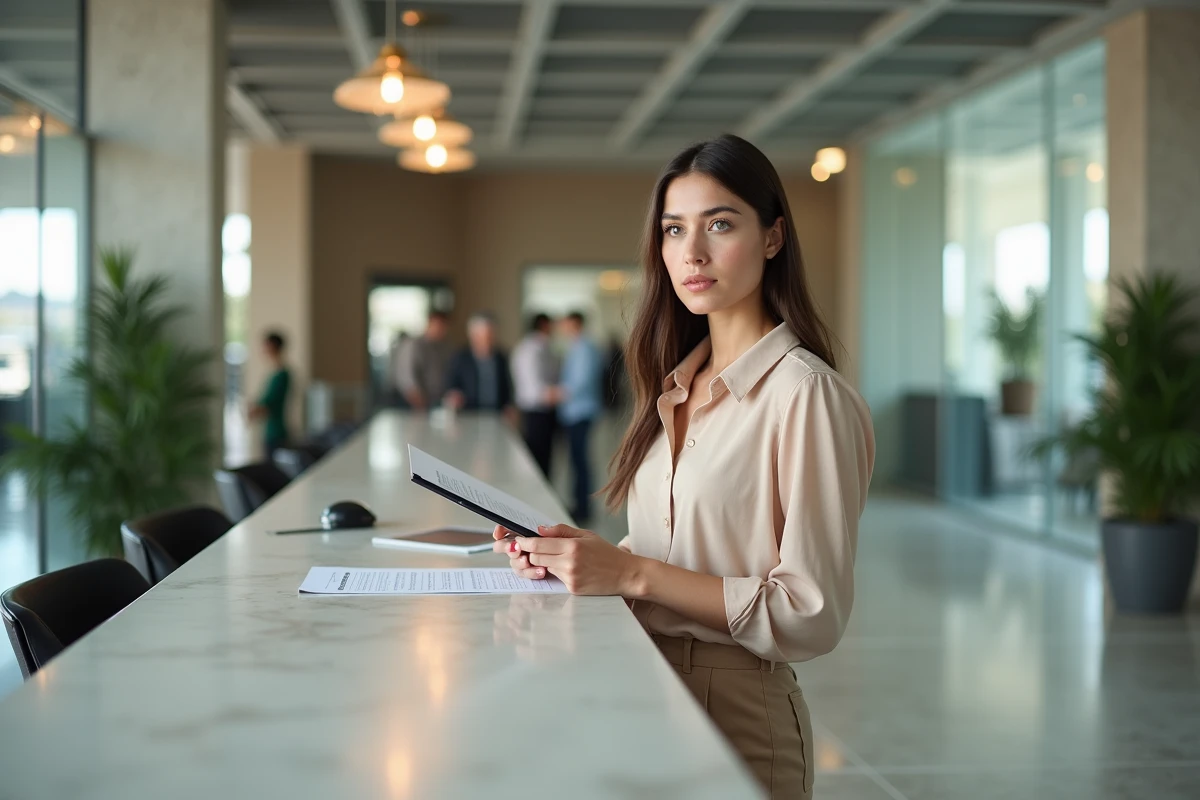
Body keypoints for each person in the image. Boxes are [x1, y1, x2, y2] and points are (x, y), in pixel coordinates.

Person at [493, 134, 875, 800]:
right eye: (674, 230)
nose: (691, 253)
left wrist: (633, 573)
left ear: (773, 237)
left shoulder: (804, 395)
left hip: (737, 708)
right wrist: (582, 558)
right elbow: (672, 548)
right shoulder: (675, 386)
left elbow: (810, 612)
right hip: (640, 683)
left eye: (719, 224)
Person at [554, 311, 603, 525]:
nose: (563, 327)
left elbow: (579, 382)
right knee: (576, 460)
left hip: (580, 412)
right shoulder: (576, 346)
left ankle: (583, 507)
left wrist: (555, 393)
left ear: (574, 324)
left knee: (580, 460)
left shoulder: (584, 348)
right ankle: (579, 503)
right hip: (574, 412)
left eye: (565, 323)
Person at [510, 313, 560, 478]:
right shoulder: (532, 350)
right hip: (535, 411)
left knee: (544, 459)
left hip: (541, 411)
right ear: (544, 326)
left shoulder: (539, 347)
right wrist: (563, 393)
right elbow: (534, 389)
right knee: (538, 460)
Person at [443, 313, 515, 420]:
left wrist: (510, 406)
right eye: (484, 336)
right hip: (469, 416)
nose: (488, 340)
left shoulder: (502, 357)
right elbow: (452, 386)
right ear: (473, 336)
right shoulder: (460, 358)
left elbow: (507, 386)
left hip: (496, 416)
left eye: (491, 335)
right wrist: (454, 398)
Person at [395, 311, 453, 411]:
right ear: (429, 324)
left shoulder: (444, 348)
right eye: (439, 326)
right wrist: (417, 400)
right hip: (413, 404)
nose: (442, 330)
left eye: (444, 327)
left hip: (434, 402)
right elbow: (407, 377)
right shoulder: (414, 345)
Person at [248, 330, 292, 459]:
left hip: (276, 432)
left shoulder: (281, 375)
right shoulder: (274, 373)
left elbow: (269, 404)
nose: (262, 349)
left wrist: (254, 410)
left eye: (265, 345)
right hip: (270, 431)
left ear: (272, 346)